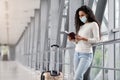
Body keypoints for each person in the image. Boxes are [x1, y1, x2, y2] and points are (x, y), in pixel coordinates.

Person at [68, 5, 101, 80]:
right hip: (77, 53)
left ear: (88, 14)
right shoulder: (81, 27)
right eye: (79, 16)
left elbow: (97, 40)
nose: (80, 17)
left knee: (77, 77)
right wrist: (73, 40)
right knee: (77, 76)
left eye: (82, 15)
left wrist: (83, 38)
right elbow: (78, 43)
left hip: (86, 55)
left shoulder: (93, 24)